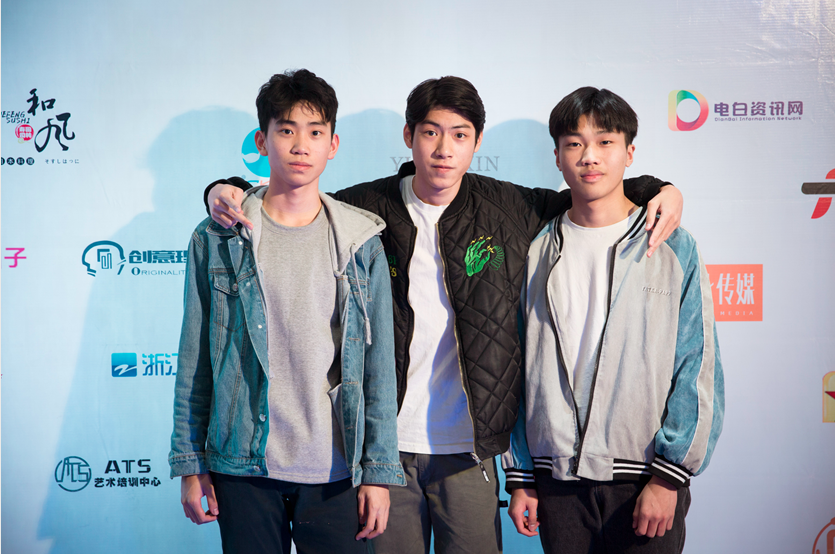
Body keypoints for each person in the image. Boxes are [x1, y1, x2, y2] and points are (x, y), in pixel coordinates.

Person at [204, 76, 684, 554]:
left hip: (468, 447)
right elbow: (295, 198)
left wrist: (659, 189)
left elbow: (594, 194)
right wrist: (226, 188)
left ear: (477, 141)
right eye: (431, 132)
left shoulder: (511, 207)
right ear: (409, 136)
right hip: (386, 448)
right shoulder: (363, 208)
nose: (443, 149)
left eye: (459, 135)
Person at [169, 69, 405, 554]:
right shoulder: (217, 238)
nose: (301, 145)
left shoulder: (361, 241)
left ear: (332, 144)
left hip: (336, 466)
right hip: (243, 464)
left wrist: (378, 472)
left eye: (315, 132)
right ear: (262, 140)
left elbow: (378, 367)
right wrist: (191, 464)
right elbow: (194, 358)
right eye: (287, 130)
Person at [503, 87, 724, 554]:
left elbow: (697, 365)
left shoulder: (671, 244)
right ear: (557, 157)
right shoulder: (535, 249)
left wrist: (668, 478)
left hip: (645, 479)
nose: (590, 156)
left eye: (605, 142)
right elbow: (516, 367)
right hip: (556, 479)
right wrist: (521, 474)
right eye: (574, 144)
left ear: (630, 153)